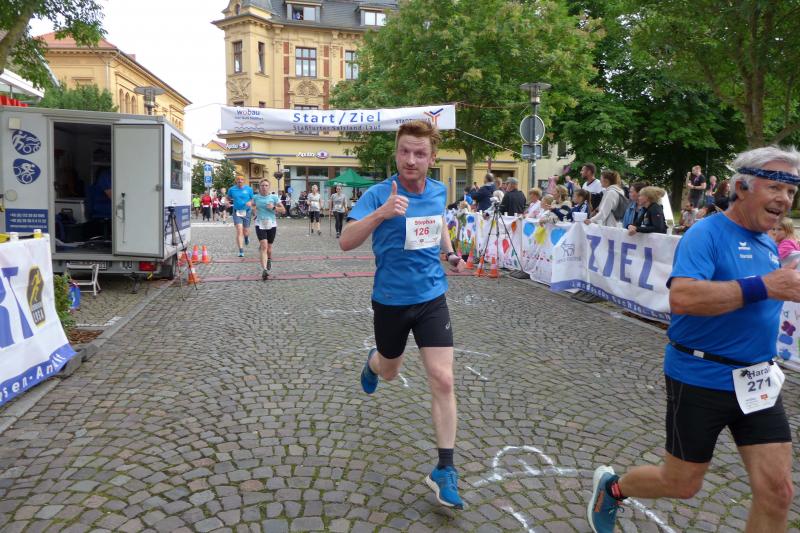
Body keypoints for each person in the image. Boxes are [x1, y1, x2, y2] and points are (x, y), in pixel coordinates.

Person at [587, 145, 800, 533]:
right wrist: (765, 286)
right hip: (701, 377)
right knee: (682, 483)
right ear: (741, 187)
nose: (785, 199)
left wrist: (779, 286)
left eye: (791, 191)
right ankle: (614, 488)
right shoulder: (706, 234)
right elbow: (683, 298)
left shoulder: (768, 243)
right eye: (775, 188)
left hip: (757, 381)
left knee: (778, 492)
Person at [340, 120, 466, 510]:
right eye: (405, 152)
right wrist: (381, 214)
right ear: (396, 153)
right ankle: (374, 363)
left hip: (431, 297)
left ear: (432, 157)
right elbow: (345, 241)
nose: (411, 160)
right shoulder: (380, 193)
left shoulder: (439, 190)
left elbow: (438, 223)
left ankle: (444, 469)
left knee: (443, 378)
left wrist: (449, 253)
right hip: (391, 301)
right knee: (391, 370)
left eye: (420, 153)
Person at [253, 179, 285, 280]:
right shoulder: (255, 197)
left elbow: (283, 210)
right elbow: (251, 205)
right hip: (259, 224)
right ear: (259, 187)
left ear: (269, 187)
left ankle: (269, 259)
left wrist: (274, 208)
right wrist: (253, 211)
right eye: (262, 185)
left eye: (266, 185)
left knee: (269, 249)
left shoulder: (274, 197)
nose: (264, 187)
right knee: (264, 246)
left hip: (271, 224)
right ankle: (264, 270)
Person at [227, 176, 255, 257]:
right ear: (236, 180)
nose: (240, 181)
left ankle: (246, 237)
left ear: (244, 181)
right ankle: (241, 250)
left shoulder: (249, 189)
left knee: (245, 231)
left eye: (242, 179)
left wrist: (250, 202)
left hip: (247, 211)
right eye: (238, 179)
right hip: (237, 212)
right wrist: (227, 202)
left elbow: (253, 199)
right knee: (239, 230)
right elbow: (228, 198)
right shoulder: (232, 189)